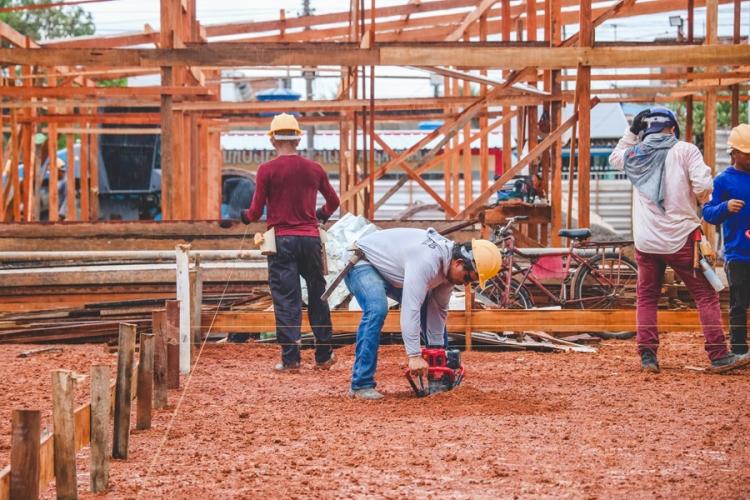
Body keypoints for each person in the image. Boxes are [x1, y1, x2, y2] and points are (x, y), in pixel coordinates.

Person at [609, 107, 749, 373]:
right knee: (706, 295)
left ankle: (648, 356)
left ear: (645, 130)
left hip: (646, 241)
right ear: (672, 128)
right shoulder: (686, 151)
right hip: (680, 239)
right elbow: (703, 188)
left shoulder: (635, 155)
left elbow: (615, 157)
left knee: (647, 297)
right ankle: (719, 355)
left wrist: (630, 131)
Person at [344, 228, 502, 400]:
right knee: (377, 308)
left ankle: (439, 381)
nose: (465, 284)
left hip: (392, 270)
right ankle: (361, 384)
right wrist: (414, 355)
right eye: (467, 278)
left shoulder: (449, 272)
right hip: (362, 261)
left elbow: (437, 311)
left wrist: (437, 353)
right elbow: (411, 307)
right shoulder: (427, 261)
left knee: (429, 308)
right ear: (458, 263)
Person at [241, 113, 340, 372]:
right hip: (310, 239)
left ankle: (291, 360)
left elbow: (254, 211)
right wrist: (319, 217)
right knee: (318, 294)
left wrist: (243, 217)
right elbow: (334, 202)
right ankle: (323, 355)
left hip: (281, 241)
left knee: (287, 298)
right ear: (298, 138)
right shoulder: (314, 169)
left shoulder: (266, 170)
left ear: (273, 140)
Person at [703, 124, 750, 355]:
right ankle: (740, 351)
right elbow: (708, 213)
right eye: (747, 153)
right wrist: (726, 207)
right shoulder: (723, 181)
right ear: (733, 153)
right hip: (738, 254)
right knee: (739, 305)